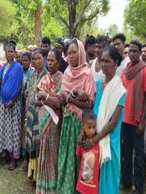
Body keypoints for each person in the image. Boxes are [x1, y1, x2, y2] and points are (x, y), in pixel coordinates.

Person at [57, 39, 96, 193]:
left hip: (80, 125)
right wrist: (73, 95)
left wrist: (69, 98)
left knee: (78, 160)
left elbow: (89, 104)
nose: (71, 56)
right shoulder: (67, 72)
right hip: (67, 122)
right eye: (69, 53)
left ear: (81, 53)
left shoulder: (87, 73)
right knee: (66, 158)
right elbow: (63, 94)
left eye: (74, 52)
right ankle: (65, 189)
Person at [87, 45, 125, 193]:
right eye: (102, 60)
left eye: (107, 61)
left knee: (108, 182)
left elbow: (113, 121)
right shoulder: (97, 85)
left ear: (116, 63)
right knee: (92, 179)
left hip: (109, 141)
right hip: (94, 136)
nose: (103, 64)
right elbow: (93, 113)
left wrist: (94, 139)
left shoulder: (120, 90)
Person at [121, 40, 146, 194]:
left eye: (134, 51)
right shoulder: (126, 70)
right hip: (124, 120)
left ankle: (138, 188)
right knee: (125, 154)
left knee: (138, 157)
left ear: (140, 52)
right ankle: (126, 183)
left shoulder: (145, 71)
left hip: (137, 121)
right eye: (129, 51)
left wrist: (142, 121)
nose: (131, 53)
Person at [36, 48, 63, 194]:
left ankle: (52, 187)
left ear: (59, 63)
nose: (50, 63)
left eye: (53, 60)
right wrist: (44, 100)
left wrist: (45, 97)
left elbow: (58, 103)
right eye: (49, 60)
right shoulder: (45, 78)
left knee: (52, 154)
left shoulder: (61, 78)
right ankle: (43, 187)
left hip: (54, 121)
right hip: (43, 119)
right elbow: (36, 99)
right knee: (43, 152)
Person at [0, 41, 23, 170]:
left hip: (14, 104)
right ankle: (6, 154)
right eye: (8, 51)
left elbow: (20, 85)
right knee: (5, 130)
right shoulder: (4, 67)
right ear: (5, 53)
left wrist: (13, 100)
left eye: (12, 51)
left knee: (14, 131)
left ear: (15, 53)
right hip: (3, 104)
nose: (10, 53)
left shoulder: (18, 67)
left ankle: (14, 159)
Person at [25, 49, 47, 183]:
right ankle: (32, 172)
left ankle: (39, 175)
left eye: (39, 58)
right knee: (31, 142)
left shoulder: (46, 75)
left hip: (41, 113)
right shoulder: (32, 74)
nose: (36, 61)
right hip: (31, 112)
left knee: (39, 144)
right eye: (34, 58)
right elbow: (28, 92)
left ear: (43, 58)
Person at [76, 109, 100, 194]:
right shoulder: (81, 143)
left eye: (94, 127)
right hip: (82, 184)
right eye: (89, 127)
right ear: (83, 126)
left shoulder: (98, 143)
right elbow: (79, 158)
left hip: (93, 186)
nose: (92, 131)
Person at [21, 52, 34, 167]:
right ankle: (21, 151)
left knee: (27, 128)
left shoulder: (32, 73)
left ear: (30, 62)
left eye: (26, 60)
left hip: (28, 103)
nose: (24, 62)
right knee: (21, 127)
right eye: (23, 60)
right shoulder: (19, 71)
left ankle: (26, 153)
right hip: (19, 103)